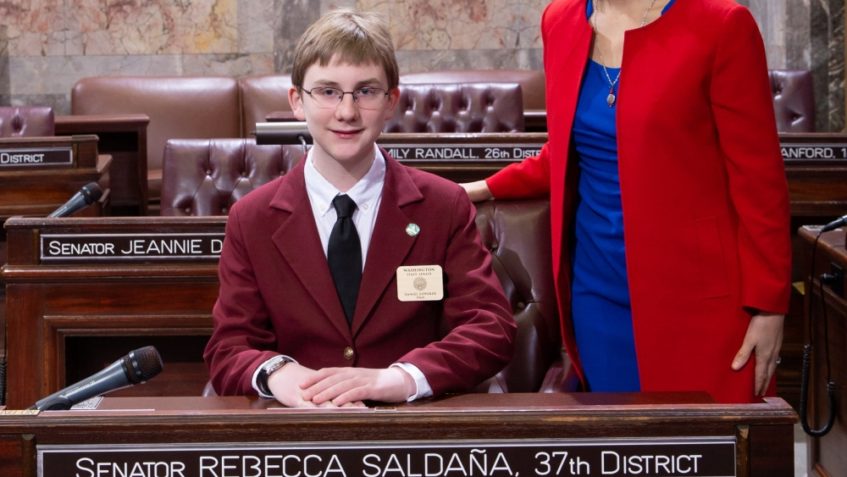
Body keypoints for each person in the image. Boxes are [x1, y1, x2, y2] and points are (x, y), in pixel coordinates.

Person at [462, 0, 791, 403]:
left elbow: (759, 180)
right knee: (625, 449)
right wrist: (479, 189)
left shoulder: (722, 25)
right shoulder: (559, 20)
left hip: (700, 296)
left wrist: (768, 307)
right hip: (597, 290)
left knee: (708, 452)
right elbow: (570, 148)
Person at [203, 8, 516, 408]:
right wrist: (279, 374)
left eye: (366, 91)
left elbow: (489, 329)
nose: (347, 112)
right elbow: (229, 349)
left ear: (391, 102)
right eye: (328, 91)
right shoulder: (253, 218)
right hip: (298, 436)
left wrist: (399, 379)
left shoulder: (442, 205)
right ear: (297, 101)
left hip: (413, 433)